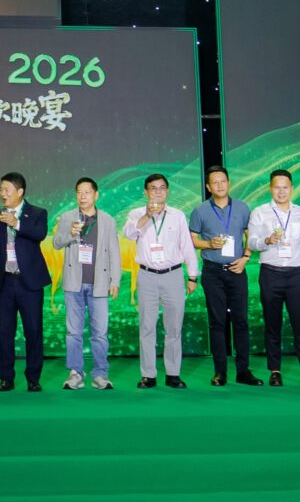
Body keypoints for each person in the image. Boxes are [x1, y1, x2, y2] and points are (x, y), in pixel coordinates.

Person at [122, 173, 194, 389]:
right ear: (146, 192)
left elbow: (187, 246)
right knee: (147, 326)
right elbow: (128, 234)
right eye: (153, 188)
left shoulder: (178, 215)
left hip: (173, 275)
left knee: (174, 327)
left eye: (162, 188)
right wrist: (146, 216)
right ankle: (148, 375)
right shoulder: (136, 214)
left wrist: (192, 275)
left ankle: (173, 374)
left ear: (167, 191)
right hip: (147, 275)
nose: (158, 192)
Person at [246, 168, 300, 384]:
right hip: (271, 274)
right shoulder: (259, 212)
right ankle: (274, 371)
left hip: (296, 274)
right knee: (272, 324)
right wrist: (266, 240)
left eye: (285, 187)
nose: (281, 191)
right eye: (277, 187)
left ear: (292, 188)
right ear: (270, 188)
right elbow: (251, 243)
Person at [0, 172, 51, 391]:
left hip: (29, 283)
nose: (2, 194)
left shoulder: (37, 213)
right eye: (1, 190)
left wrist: (17, 223)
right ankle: (6, 377)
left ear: (20, 191)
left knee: (33, 331)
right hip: (5, 282)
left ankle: (33, 378)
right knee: (5, 332)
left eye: (7, 190)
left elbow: (39, 234)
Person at [190, 167, 255, 385]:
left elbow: (250, 236)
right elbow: (192, 240)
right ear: (208, 187)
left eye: (223, 181)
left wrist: (246, 257)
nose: (220, 185)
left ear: (229, 183)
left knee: (241, 321)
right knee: (217, 322)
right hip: (213, 272)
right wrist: (208, 244)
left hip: (237, 270)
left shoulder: (242, 208)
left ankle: (243, 371)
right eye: (215, 182)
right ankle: (220, 372)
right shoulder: (200, 210)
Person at [57, 178, 118, 390]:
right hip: (74, 283)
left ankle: (100, 374)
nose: (82, 196)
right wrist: (70, 233)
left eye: (87, 192)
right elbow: (56, 243)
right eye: (79, 192)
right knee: (73, 332)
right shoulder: (67, 217)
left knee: (100, 333)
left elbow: (114, 252)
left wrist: (115, 280)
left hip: (99, 283)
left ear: (96, 195)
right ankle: (75, 373)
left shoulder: (107, 220)